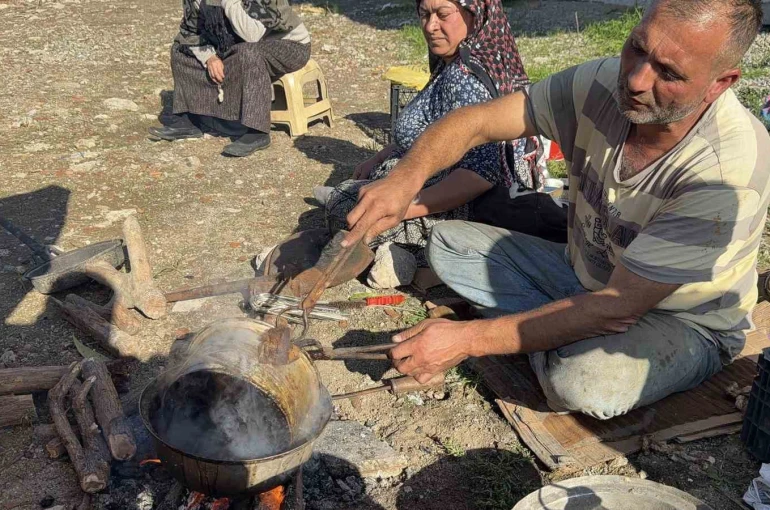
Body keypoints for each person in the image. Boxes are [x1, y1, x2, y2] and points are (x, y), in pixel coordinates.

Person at [341, 0, 770, 419]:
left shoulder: (725, 173)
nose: (637, 79)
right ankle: (553, 330)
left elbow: (619, 306)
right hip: (583, 276)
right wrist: (404, 179)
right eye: (637, 48)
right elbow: (477, 121)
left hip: (675, 319)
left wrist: (468, 340)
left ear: (720, 82)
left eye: (669, 73)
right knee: (449, 242)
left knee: (583, 380)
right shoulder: (600, 83)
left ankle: (544, 334)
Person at [315, 0, 551, 259]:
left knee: (342, 206)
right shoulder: (455, 61)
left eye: (443, 14)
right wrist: (381, 156)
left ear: (474, 14)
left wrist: (402, 209)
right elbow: (429, 131)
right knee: (353, 198)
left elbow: (479, 176)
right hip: (425, 181)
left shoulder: (465, 79)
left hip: (465, 207)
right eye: (424, 14)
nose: (430, 26)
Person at [149, 0, 310, 157]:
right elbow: (190, 33)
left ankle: (257, 131)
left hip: (287, 44)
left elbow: (252, 35)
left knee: (248, 54)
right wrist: (210, 57)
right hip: (234, 45)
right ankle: (189, 120)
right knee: (180, 50)